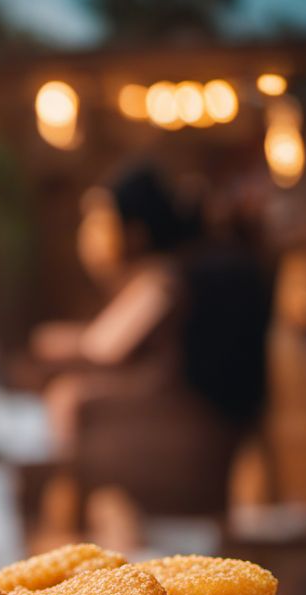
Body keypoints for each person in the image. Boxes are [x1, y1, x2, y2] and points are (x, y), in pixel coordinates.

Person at [31, 164, 272, 540]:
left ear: (135, 231)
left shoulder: (162, 278)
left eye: (100, 223)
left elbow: (106, 347)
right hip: (218, 431)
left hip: (193, 436)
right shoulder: (182, 269)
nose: (90, 236)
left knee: (62, 413)